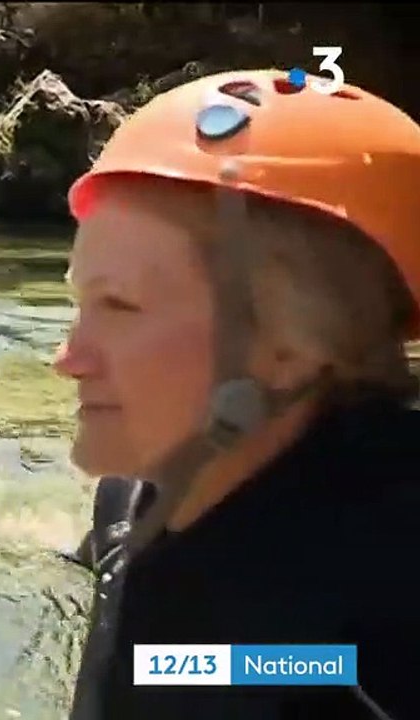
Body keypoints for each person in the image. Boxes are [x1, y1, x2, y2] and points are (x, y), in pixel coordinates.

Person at [56, 68, 420, 720]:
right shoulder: (131, 497)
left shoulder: (393, 587)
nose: (67, 360)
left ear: (288, 349)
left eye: (120, 306)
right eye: (79, 304)